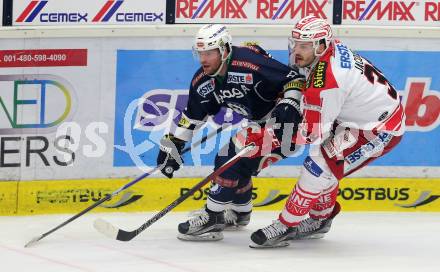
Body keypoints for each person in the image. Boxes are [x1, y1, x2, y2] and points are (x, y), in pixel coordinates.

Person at [248, 16, 406, 248]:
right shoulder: (331, 49)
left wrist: (266, 136)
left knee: (317, 166)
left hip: (377, 129)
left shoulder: (327, 83)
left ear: (321, 46)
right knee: (327, 164)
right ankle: (320, 220)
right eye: (295, 44)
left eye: (304, 46)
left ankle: (286, 225)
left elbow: (311, 134)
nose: (296, 51)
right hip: (355, 116)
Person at [156, 24, 305, 241]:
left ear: (224, 50)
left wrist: (290, 102)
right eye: (200, 53)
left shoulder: (250, 63)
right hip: (260, 124)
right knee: (231, 161)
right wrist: (174, 143)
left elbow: (294, 78)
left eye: (209, 53)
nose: (203, 59)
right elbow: (192, 116)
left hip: (289, 124)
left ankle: (212, 217)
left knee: (230, 160)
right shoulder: (203, 81)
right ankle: (239, 212)